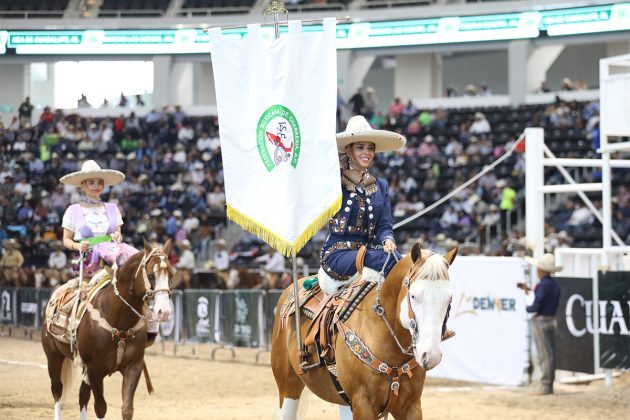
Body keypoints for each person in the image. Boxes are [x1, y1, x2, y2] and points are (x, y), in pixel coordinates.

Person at [322, 115, 454, 339]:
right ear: (348, 151)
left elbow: (384, 224)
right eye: (360, 147)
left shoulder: (380, 186)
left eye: (370, 148)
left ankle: (430, 325)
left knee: (399, 261)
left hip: (371, 251)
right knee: (396, 263)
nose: (366, 152)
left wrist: (387, 239)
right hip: (339, 253)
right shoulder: (333, 181)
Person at [521, 253, 562, 395]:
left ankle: (546, 385)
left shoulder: (542, 285)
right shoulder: (554, 285)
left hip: (541, 321)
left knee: (544, 354)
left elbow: (536, 305)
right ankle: (549, 383)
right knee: (550, 354)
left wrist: (527, 307)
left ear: (541, 271)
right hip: (552, 320)